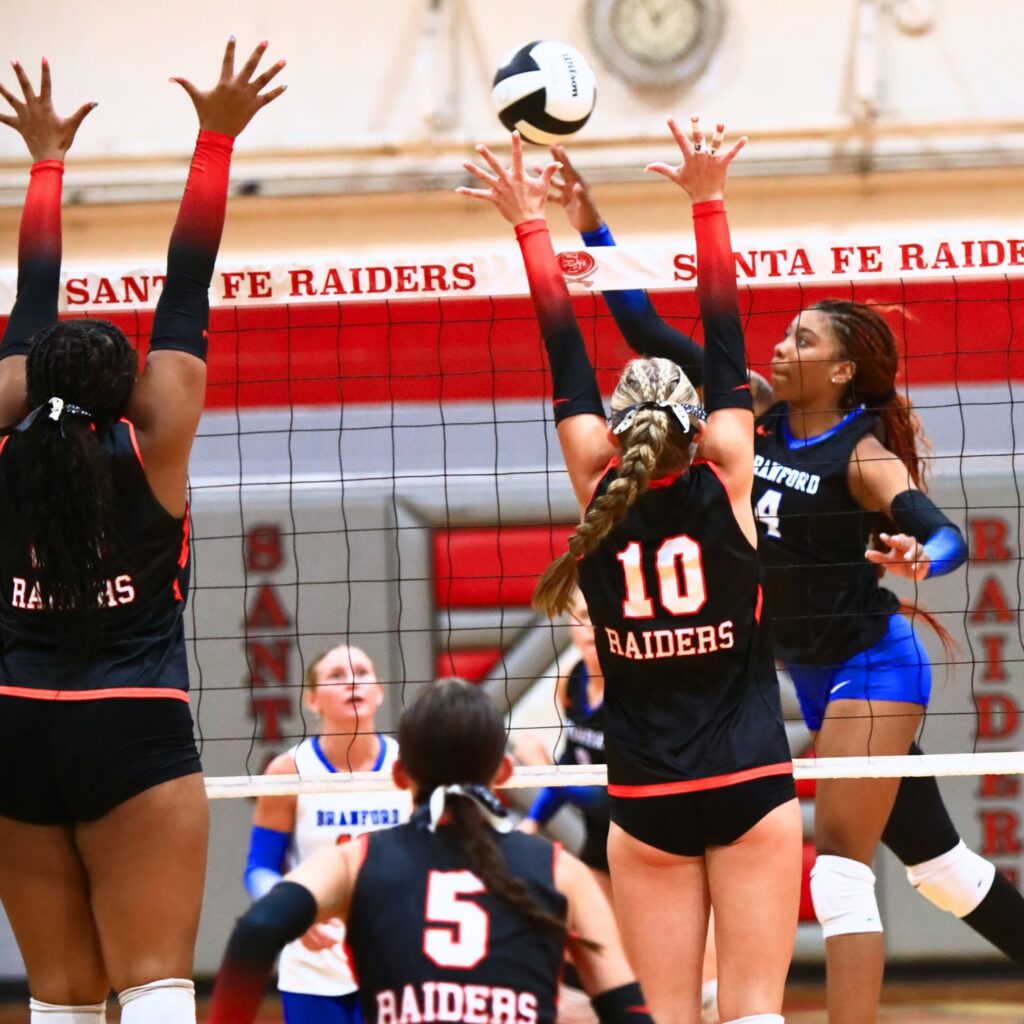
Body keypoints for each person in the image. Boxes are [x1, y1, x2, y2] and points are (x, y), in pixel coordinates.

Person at [546, 137, 1024, 1011]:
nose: (779, 344)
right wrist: (590, 225)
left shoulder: (862, 455)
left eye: (802, 338)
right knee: (942, 870)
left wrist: (925, 555)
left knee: (837, 872)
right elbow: (644, 329)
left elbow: (944, 533)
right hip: (804, 672)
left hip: (871, 668)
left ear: (840, 370)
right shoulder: (751, 419)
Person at [458, 123, 802, 1024]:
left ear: (614, 432)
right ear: (700, 429)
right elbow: (722, 332)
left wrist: (529, 224)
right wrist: (708, 200)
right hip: (749, 779)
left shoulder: (593, 483)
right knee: (756, 1011)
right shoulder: (731, 469)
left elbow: (562, 351)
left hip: (645, 795)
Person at [0, 41, 284, 1024]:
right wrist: (216, 140)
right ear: (130, 388)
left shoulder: (7, 443)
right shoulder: (154, 441)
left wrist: (44, 162)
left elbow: (27, 308)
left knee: (60, 999)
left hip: (13, 718)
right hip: (133, 720)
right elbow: (186, 282)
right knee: (157, 983)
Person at [209, 678, 654, 1024]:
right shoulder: (560, 870)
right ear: (503, 772)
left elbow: (258, 927)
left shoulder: (356, 861)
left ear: (400, 775)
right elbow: (626, 1008)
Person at [245, 644, 412, 1024]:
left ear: (379, 691)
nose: (352, 681)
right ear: (312, 700)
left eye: (362, 672)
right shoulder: (289, 770)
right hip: (313, 966)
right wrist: (290, 913)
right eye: (336, 676)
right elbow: (259, 868)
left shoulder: (409, 766)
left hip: (394, 957)